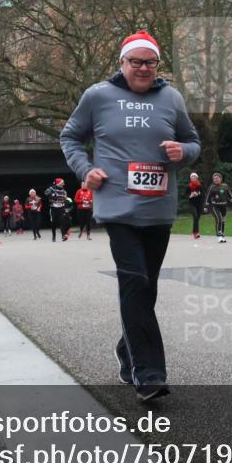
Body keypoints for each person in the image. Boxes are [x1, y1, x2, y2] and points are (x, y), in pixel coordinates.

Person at [60, 29, 200, 401]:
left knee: (145, 289)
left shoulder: (171, 98)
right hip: (117, 206)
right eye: (135, 61)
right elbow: (70, 137)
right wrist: (84, 170)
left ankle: (127, 353)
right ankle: (149, 375)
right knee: (135, 282)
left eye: (149, 62)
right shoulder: (98, 96)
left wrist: (181, 152)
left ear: (157, 65)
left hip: (158, 210)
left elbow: (194, 142)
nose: (142, 68)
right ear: (121, 63)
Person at [205, 172, 232, 243]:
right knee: (219, 219)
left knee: (222, 221)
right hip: (214, 207)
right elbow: (207, 197)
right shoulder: (211, 187)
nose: (215, 180)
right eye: (214, 178)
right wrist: (206, 206)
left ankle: (222, 235)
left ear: (221, 178)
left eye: (217, 178)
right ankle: (219, 236)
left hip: (223, 206)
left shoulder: (225, 186)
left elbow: (229, 195)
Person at [187, 172, 204, 239]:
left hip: (199, 203)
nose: (193, 178)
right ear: (190, 178)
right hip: (192, 204)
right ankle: (196, 233)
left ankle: (194, 230)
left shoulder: (200, 185)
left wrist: (198, 194)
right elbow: (184, 195)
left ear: (197, 178)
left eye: (194, 177)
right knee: (195, 216)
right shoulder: (189, 186)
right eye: (192, 177)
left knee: (197, 218)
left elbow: (203, 194)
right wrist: (190, 195)